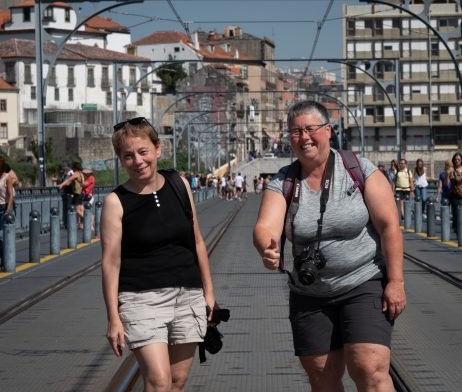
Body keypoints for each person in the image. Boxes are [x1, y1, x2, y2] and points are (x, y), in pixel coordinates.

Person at [253, 101, 406, 392]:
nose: (304, 137)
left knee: (369, 367)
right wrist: (267, 248)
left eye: (311, 129)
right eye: (296, 132)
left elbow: (389, 226)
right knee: (323, 377)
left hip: (363, 281)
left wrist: (396, 281)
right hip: (310, 292)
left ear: (328, 131)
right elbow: (264, 227)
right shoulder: (284, 180)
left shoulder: (359, 169)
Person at [101, 117, 215, 391]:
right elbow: (110, 263)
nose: (137, 161)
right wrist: (113, 318)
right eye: (128, 156)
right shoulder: (115, 202)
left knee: (177, 381)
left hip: (187, 296)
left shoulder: (180, 184)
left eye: (143, 152)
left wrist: (208, 293)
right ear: (121, 160)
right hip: (141, 302)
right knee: (159, 381)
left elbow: (197, 241)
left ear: (157, 149)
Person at [57, 162, 84, 229]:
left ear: (75, 168)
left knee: (77, 211)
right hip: (81, 193)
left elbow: (69, 180)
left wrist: (61, 185)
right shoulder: (81, 174)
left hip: (77, 194)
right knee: (80, 210)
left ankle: (89, 219)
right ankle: (84, 224)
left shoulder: (76, 174)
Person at [447, 153, 462, 233]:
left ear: (461, 160)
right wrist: (447, 174)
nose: (457, 161)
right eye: (455, 159)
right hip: (454, 194)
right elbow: (447, 183)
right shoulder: (451, 170)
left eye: (458, 159)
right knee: (455, 212)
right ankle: (457, 227)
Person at [0, 156, 14, 231]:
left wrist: (8, 209)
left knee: (1, 231)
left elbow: (11, 194)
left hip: (3, 207)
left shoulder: (7, 177)